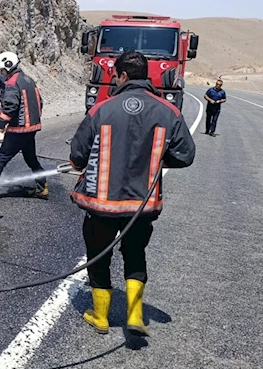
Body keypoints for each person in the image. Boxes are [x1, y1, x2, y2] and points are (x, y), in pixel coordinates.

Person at [68, 50, 196, 336]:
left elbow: (77, 155)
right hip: (141, 206)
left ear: (122, 75)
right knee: (135, 254)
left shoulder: (102, 108)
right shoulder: (169, 111)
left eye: (115, 75)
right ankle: (135, 315)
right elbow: (185, 155)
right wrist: (159, 158)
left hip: (102, 205)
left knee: (99, 256)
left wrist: (81, 163)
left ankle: (100, 316)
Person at [0, 51, 48, 199]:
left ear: (8, 67)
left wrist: (1, 124)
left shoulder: (12, 83)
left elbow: (11, 106)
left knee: (1, 157)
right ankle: (42, 188)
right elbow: (39, 102)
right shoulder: (28, 80)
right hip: (32, 128)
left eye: (2, 70)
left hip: (19, 129)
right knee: (31, 159)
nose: (1, 73)